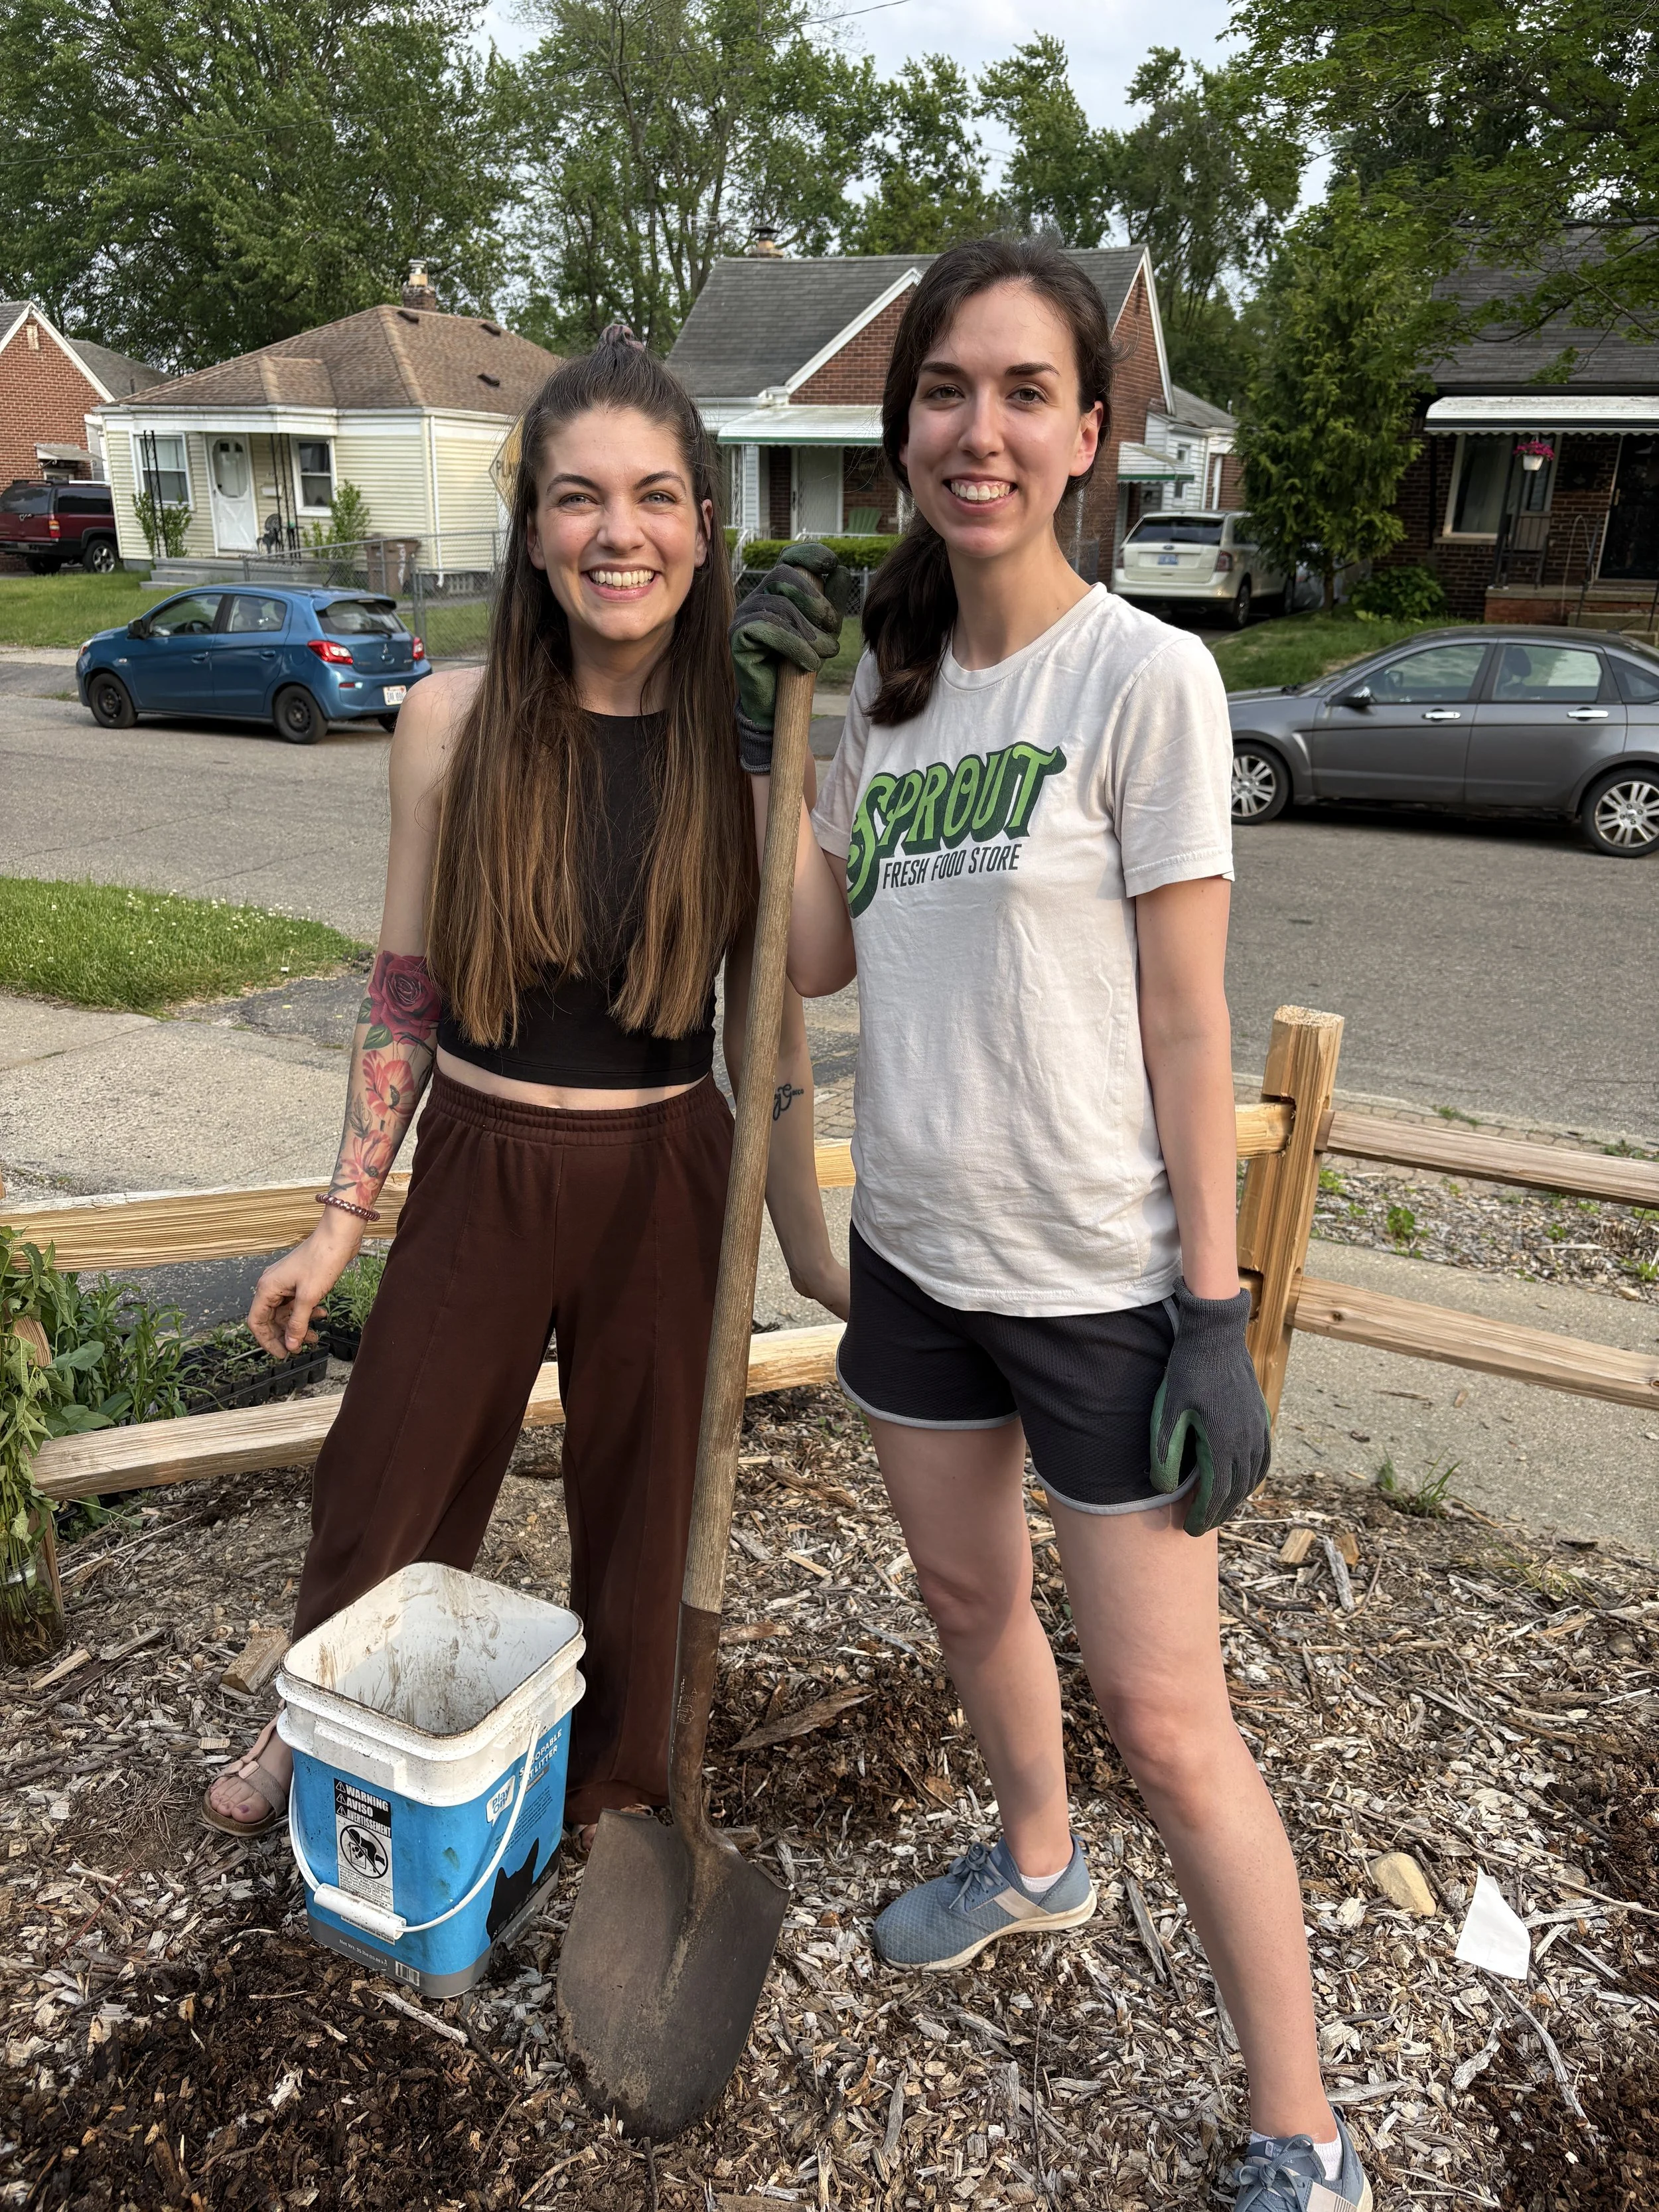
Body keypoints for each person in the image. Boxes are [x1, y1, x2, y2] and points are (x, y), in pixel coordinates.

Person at [731, 241, 1372, 2212]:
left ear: (1089, 435)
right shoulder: (895, 693)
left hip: (1103, 1287)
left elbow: (1189, 1020)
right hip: (923, 1256)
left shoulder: (1145, 678)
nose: (978, 429)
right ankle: (1033, 1857)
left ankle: (1301, 2129)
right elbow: (824, 961)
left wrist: (1211, 1305)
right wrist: (778, 727)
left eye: (1024, 392)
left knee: (1174, 1724)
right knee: (960, 1601)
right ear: (900, 423)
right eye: (945, 390)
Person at [205, 329, 848, 1850]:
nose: (615, 532)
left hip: (663, 1175)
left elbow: (799, 985)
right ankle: (322, 1723)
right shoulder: (450, 722)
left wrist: (781, 757)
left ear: (702, 528)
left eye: (653, 498)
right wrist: (336, 1221)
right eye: (577, 498)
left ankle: (620, 1782)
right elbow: (405, 993)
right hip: (486, 1162)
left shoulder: (740, 750)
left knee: (646, 1509)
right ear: (534, 531)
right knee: (389, 1469)